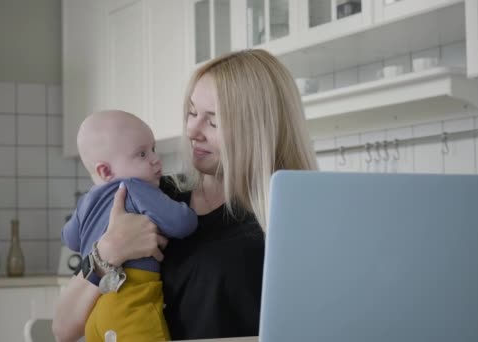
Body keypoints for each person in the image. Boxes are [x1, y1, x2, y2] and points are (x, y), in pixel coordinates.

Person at [52, 49, 318, 342]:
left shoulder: (290, 219)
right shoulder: (150, 194)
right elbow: (63, 330)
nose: (192, 130)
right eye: (191, 113)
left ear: (258, 129)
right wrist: (107, 251)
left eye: (213, 121)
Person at [62, 110, 198, 342]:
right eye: (142, 154)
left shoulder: (86, 201)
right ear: (106, 171)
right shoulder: (136, 188)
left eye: (153, 149)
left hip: (94, 310)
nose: (156, 159)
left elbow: (71, 239)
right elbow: (182, 224)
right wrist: (187, 211)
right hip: (128, 302)